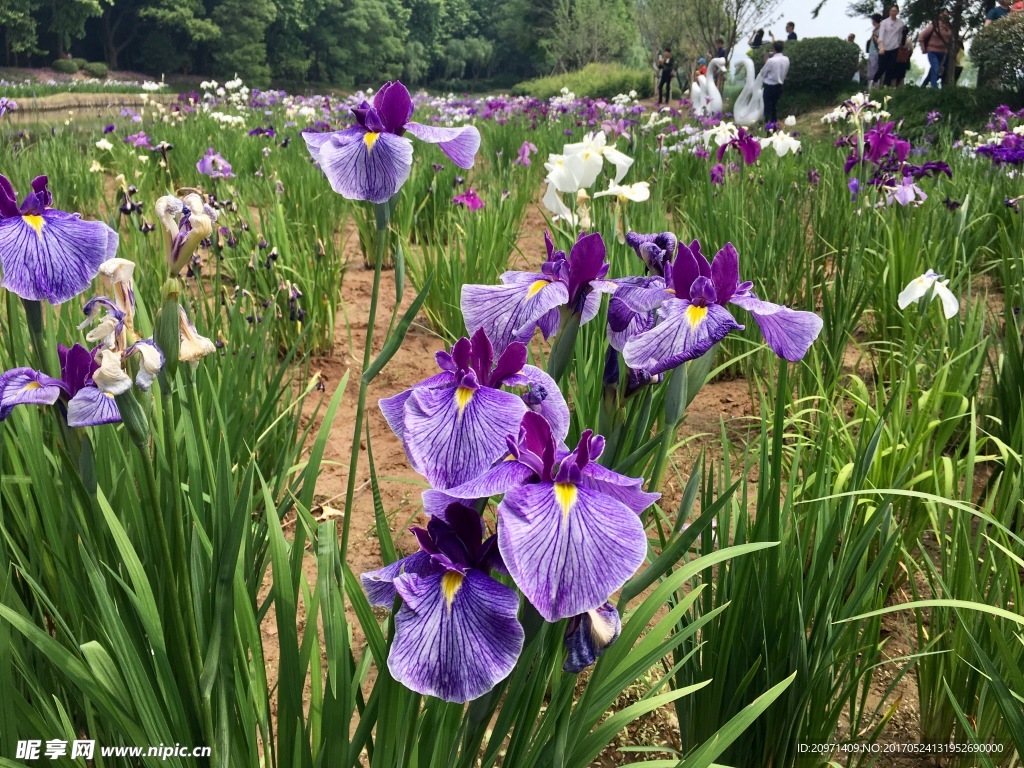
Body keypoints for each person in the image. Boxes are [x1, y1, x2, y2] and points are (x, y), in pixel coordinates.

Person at [919, 8, 951, 88]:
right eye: (943, 14)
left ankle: (924, 85)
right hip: (932, 51)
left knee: (938, 70)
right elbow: (921, 36)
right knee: (935, 69)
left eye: (946, 14)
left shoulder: (948, 27)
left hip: (943, 53)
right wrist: (923, 48)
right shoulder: (934, 25)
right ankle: (934, 89)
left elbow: (950, 39)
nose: (945, 16)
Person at [761, 41, 789, 125]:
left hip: (769, 87)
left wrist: (766, 61)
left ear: (774, 49)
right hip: (779, 86)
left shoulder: (771, 61)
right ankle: (774, 127)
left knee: (768, 109)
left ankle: (767, 129)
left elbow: (763, 73)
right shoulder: (786, 59)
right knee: (774, 108)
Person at [878, 4, 906, 86]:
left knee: (891, 67)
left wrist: (900, 45)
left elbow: (900, 36)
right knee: (882, 67)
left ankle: (886, 85)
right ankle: (875, 81)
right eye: (892, 11)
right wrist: (881, 47)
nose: (893, 12)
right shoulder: (884, 22)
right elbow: (881, 36)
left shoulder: (900, 23)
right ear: (889, 12)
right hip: (885, 47)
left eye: (895, 11)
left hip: (895, 47)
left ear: (897, 12)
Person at [866, 13, 882, 87]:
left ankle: (873, 88)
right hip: (874, 52)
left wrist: (874, 34)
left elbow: (878, 41)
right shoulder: (877, 29)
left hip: (875, 53)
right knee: (872, 72)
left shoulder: (879, 30)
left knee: (873, 73)